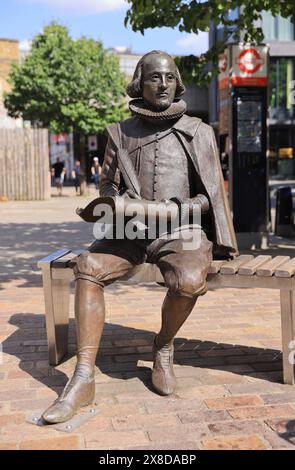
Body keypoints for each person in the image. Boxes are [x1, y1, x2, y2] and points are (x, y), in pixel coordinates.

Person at [42, 50, 238, 424]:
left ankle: (163, 343)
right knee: (88, 265)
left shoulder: (197, 132)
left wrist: (172, 210)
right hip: (129, 231)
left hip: (181, 231)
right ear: (139, 82)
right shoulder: (120, 132)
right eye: (153, 77)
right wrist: (112, 202)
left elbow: (209, 197)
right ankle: (83, 376)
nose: (162, 84)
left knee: (190, 281)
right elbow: (107, 183)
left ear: (176, 82)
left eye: (168, 77)